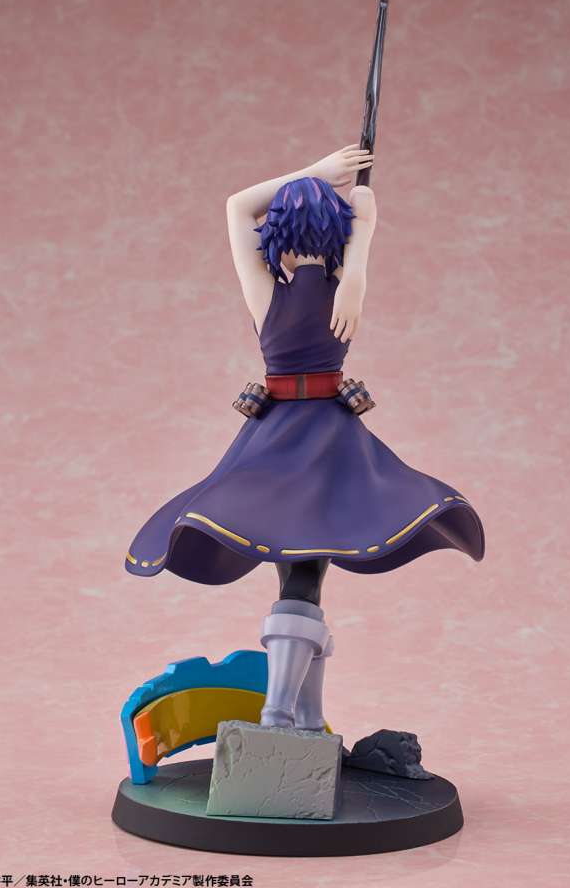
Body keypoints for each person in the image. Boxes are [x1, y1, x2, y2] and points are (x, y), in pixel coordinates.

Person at [124, 145, 485, 732]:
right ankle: (290, 715)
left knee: (299, 574)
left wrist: (315, 173)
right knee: (305, 575)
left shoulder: (267, 294)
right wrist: (360, 236)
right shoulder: (347, 292)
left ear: (280, 239)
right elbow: (360, 228)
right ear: (337, 236)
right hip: (331, 441)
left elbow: (237, 206)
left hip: (274, 440)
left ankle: (294, 716)